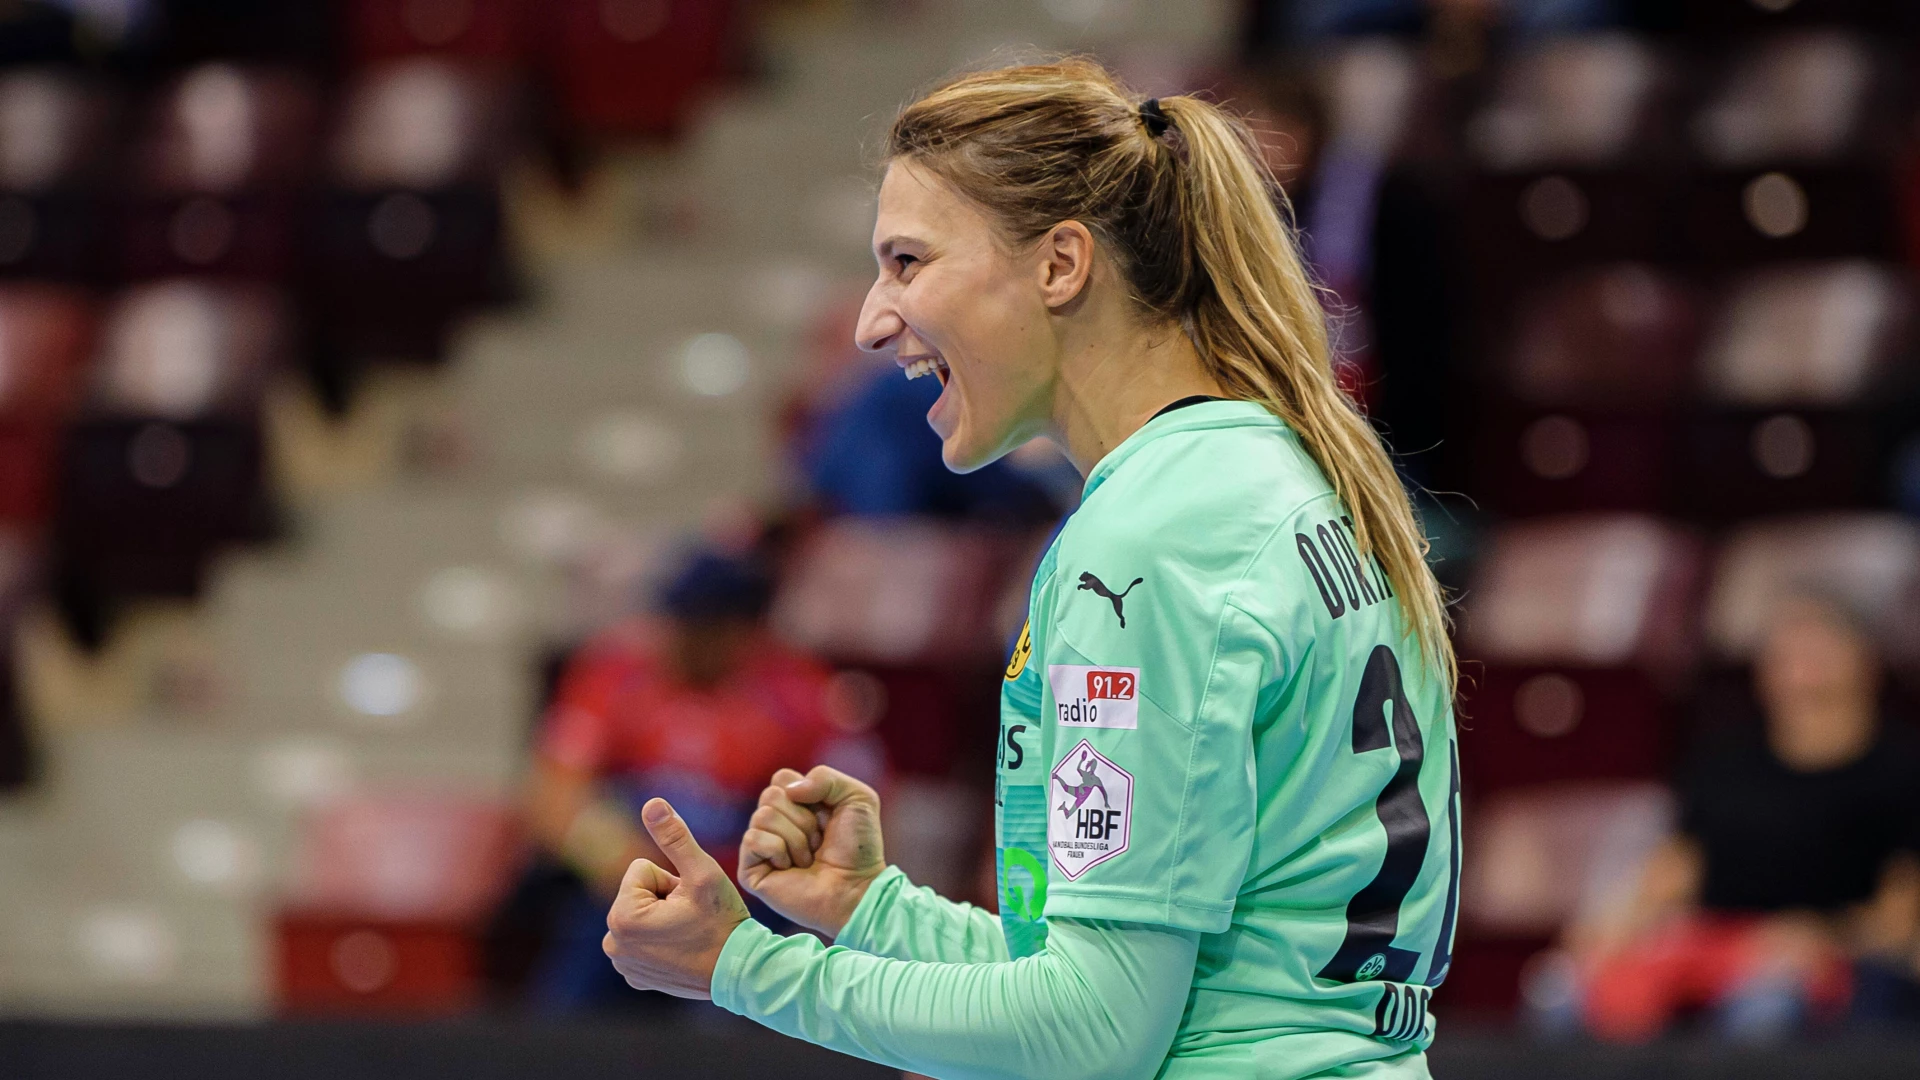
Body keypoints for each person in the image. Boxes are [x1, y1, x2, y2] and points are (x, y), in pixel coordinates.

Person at [599, 59, 1462, 1079]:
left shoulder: (1150, 542)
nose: (872, 320)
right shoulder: (1270, 476)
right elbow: (1175, 978)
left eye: (908, 261)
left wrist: (743, 968)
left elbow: (1093, 1031)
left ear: (1060, 264)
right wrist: (874, 913)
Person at [520, 546, 882, 1010]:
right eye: (675, 620)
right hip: (631, 887)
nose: (678, 639)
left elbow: (854, 813)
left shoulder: (803, 694)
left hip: (751, 901)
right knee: (569, 999)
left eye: (699, 626)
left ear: (744, 631)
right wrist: (619, 859)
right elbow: (554, 793)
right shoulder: (617, 672)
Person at [1556, 593, 1920, 1041]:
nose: (1802, 668)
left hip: (1825, 967)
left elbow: (1898, 922)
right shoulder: (1724, 763)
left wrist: (1821, 938)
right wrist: (1614, 925)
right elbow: (1675, 870)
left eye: (1820, 649)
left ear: (1866, 662)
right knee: (1565, 994)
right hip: (1715, 949)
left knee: (1761, 1010)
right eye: (1787, 653)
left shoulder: (1902, 772)